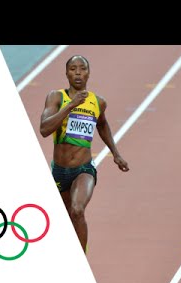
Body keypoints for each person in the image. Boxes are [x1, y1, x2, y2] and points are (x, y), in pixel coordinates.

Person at [40, 55, 129, 254]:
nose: (78, 73)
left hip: (84, 169)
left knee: (77, 210)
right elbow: (45, 129)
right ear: (66, 73)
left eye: (82, 69)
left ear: (88, 73)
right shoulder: (56, 97)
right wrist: (70, 106)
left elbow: (102, 124)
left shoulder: (98, 102)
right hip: (59, 171)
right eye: (73, 69)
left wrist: (116, 153)